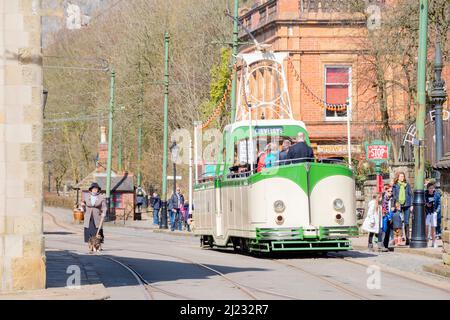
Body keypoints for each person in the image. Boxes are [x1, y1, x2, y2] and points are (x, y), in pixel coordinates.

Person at [81, 182, 106, 253]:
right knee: (89, 231)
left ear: (98, 190)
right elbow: (83, 203)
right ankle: (91, 246)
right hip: (88, 216)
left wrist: (104, 213)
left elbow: (104, 207)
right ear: (91, 190)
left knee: (97, 231)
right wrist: (82, 205)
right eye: (93, 189)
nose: (95, 190)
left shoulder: (101, 197)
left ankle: (98, 245)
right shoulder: (86, 196)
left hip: (97, 217)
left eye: (96, 189)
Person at [392, 172, 413, 245]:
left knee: (407, 222)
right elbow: (394, 196)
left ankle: (407, 239)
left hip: (407, 204)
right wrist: (393, 205)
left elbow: (410, 194)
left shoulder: (407, 185)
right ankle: (397, 239)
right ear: (398, 177)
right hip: (398, 205)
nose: (402, 178)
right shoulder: (395, 185)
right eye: (400, 176)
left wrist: (411, 205)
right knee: (398, 222)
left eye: (403, 176)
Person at [425, 182, 440, 248]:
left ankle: (434, 242)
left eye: (432, 188)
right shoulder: (425, 194)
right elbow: (422, 202)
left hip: (433, 212)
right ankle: (426, 241)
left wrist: (437, 211)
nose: (431, 189)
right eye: (430, 188)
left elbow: (439, 203)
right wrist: (426, 204)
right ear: (427, 189)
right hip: (427, 212)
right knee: (426, 227)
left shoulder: (436, 194)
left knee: (433, 228)